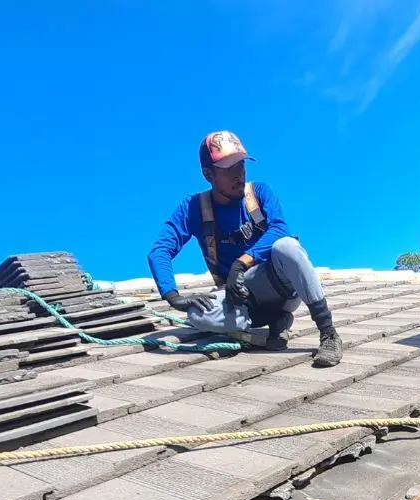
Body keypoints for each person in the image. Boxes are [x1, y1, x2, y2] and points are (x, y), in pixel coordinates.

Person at [147, 130, 343, 367]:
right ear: (208, 174)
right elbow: (160, 251)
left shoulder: (259, 193)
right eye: (229, 169)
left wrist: (240, 264)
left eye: (240, 165)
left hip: (279, 286)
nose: (239, 174)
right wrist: (173, 297)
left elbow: (279, 228)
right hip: (240, 299)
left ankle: (328, 333)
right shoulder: (194, 208)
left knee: (289, 247)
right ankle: (274, 323)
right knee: (197, 314)